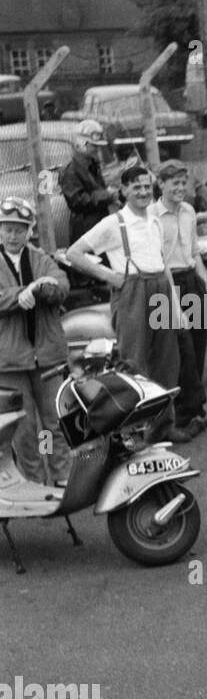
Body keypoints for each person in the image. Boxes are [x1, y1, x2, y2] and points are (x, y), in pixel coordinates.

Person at [64, 161, 180, 434]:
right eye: (135, 187)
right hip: (132, 291)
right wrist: (109, 276)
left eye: (145, 186)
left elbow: (163, 263)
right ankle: (134, 431)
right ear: (124, 190)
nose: (142, 192)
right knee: (133, 361)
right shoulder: (113, 223)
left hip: (159, 286)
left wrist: (176, 305)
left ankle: (163, 426)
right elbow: (74, 253)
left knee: (166, 359)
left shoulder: (154, 220)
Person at [0, 195, 71, 485]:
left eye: (19, 228)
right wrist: (20, 295)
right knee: (23, 426)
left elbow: (61, 286)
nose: (13, 235)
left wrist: (42, 289)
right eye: (7, 228)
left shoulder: (41, 258)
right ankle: (34, 478)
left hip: (47, 356)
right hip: (10, 360)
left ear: (30, 231)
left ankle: (60, 475)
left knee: (52, 422)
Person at [149, 160, 207, 443]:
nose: (179, 188)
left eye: (182, 182)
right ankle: (179, 415)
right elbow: (160, 262)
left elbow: (195, 252)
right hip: (166, 284)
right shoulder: (152, 215)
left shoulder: (188, 210)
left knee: (198, 344)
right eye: (173, 183)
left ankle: (196, 411)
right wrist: (174, 302)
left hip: (190, 279)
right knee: (179, 351)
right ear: (161, 184)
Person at [58, 119, 116, 244]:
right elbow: (77, 201)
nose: (97, 149)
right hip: (84, 231)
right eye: (93, 145)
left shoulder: (93, 165)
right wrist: (107, 195)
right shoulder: (71, 170)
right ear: (81, 143)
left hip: (99, 226)